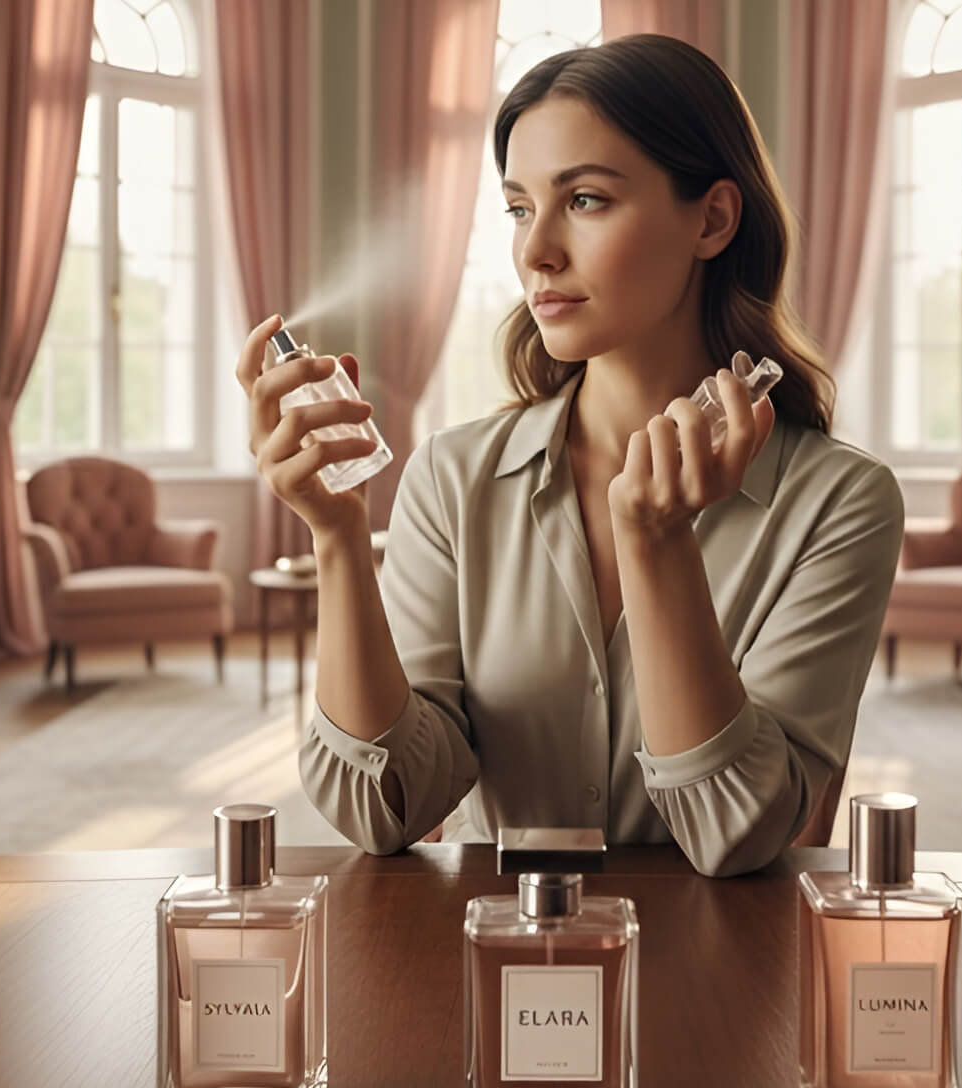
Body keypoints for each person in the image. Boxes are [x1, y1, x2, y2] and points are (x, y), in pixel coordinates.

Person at [234, 34, 901, 877]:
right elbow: (385, 808)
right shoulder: (452, 478)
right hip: (487, 950)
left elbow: (737, 833)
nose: (535, 251)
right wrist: (335, 537)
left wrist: (657, 545)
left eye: (584, 199)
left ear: (713, 219)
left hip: (719, 957)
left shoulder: (841, 503)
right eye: (519, 208)